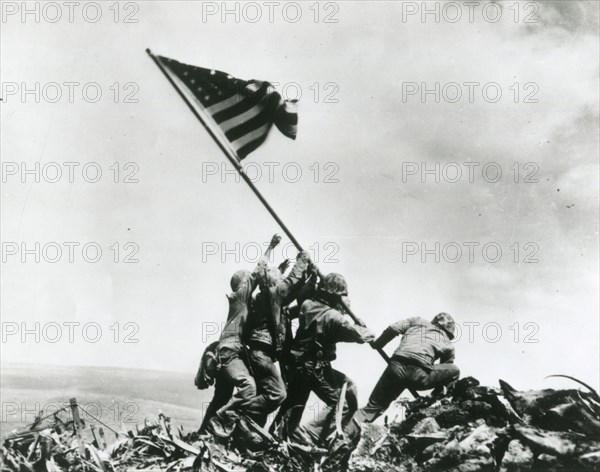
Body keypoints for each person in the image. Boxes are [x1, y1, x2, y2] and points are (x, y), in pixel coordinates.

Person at [273, 272, 375, 447]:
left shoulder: (307, 304)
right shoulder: (334, 318)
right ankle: (311, 436)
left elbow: (290, 312)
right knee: (342, 402)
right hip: (314, 367)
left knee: (295, 402)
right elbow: (362, 336)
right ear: (336, 296)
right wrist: (363, 327)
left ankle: (280, 433)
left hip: (297, 362)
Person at [207, 234, 281, 437]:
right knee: (249, 386)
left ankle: (205, 431)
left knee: (221, 396)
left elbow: (264, 283)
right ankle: (223, 421)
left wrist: (279, 271)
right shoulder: (240, 297)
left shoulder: (245, 303)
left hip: (232, 352)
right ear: (242, 284)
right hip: (230, 352)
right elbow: (257, 274)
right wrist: (270, 247)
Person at [354, 312, 460, 425]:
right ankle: (430, 401)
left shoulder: (417, 321)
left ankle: (344, 428)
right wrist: (433, 395)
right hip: (418, 375)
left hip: (395, 368)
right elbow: (444, 374)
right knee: (454, 371)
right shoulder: (448, 345)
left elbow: (393, 329)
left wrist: (378, 344)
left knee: (372, 408)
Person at [243, 251, 311, 427]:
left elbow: (294, 298)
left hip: (261, 355)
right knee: (278, 394)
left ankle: (249, 434)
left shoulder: (271, 303)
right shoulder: (272, 295)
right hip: (261, 355)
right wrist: (302, 261)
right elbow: (289, 284)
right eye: (279, 280)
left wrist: (310, 279)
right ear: (274, 283)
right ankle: (237, 411)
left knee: (264, 395)